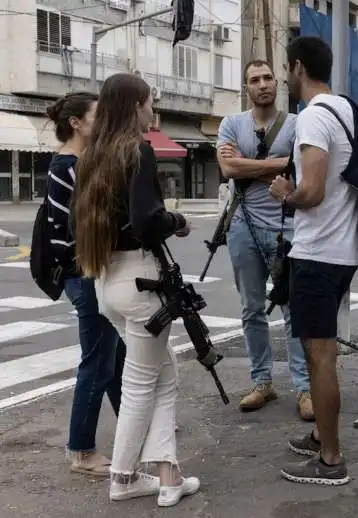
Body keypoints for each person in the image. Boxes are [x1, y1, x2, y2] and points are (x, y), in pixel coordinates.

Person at [73, 72, 199, 507]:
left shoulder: (93, 156)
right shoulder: (137, 151)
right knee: (142, 385)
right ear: (134, 107)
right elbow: (147, 220)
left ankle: (168, 475)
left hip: (107, 281)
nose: (153, 110)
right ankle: (124, 478)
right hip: (142, 282)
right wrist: (178, 222)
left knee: (164, 377)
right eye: (149, 102)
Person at [269, 36, 358, 486]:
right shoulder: (344, 110)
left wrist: (286, 194)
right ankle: (323, 436)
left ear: (299, 68)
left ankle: (330, 458)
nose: (287, 77)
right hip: (343, 250)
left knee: (320, 358)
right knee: (319, 352)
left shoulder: (311, 119)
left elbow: (314, 191)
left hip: (318, 253)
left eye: (287, 69)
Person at [216, 60, 313, 420]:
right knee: (251, 308)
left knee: (293, 309)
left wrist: (248, 164)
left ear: (277, 82)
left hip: (286, 226)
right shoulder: (231, 123)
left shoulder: (296, 123)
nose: (262, 84)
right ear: (247, 87)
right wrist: (277, 164)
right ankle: (262, 382)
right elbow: (227, 169)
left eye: (268, 78)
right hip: (241, 224)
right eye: (254, 79)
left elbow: (301, 166)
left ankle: (304, 387)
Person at [45, 92, 126, 477]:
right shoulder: (66, 167)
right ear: (76, 122)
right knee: (97, 362)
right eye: (98, 116)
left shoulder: (82, 162)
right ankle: (81, 451)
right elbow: (60, 235)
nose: (104, 122)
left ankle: (132, 426)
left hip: (93, 270)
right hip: (84, 273)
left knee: (115, 355)